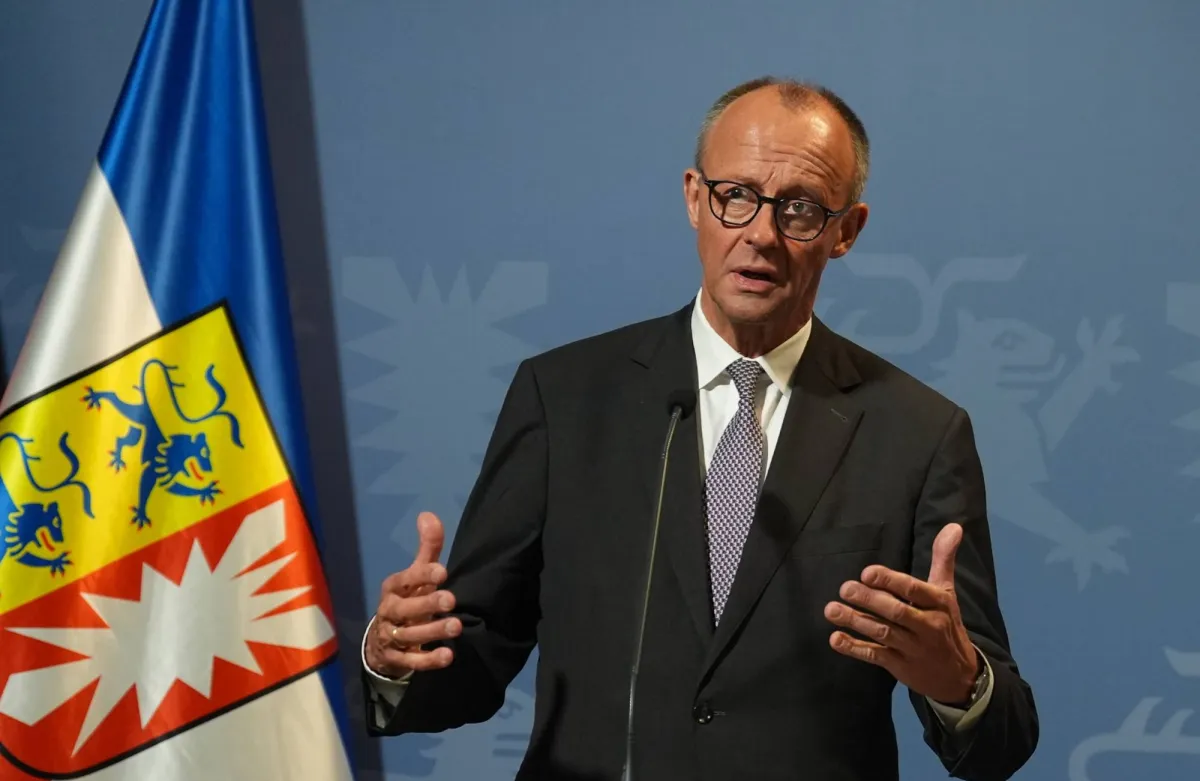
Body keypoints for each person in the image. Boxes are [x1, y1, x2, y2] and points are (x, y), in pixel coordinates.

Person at [359, 76, 1039, 781]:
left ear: (846, 231)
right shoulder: (563, 397)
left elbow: (1003, 741)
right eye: (736, 195)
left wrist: (959, 681)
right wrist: (394, 657)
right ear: (693, 197)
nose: (761, 234)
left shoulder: (917, 433)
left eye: (801, 208)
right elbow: (468, 660)